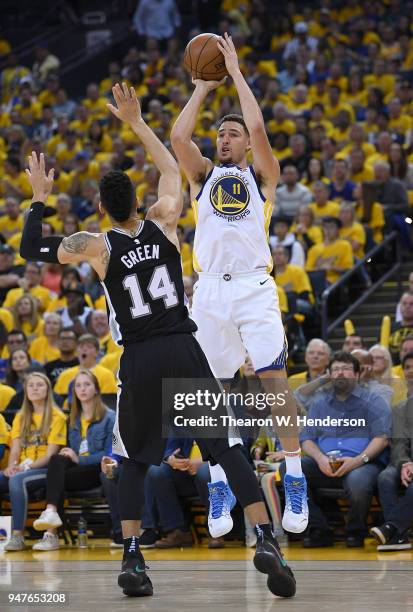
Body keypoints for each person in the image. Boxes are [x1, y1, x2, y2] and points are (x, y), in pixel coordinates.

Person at [20, 85, 296, 599]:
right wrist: (136, 122)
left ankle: (132, 555)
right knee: (227, 449)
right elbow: (171, 164)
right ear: (141, 201)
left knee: (132, 461)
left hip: (141, 360)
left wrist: (39, 200)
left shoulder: (96, 247)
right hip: (184, 348)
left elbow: (30, 247)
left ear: (101, 206)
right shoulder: (166, 219)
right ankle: (264, 536)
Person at [171, 33, 308, 538]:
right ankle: (223, 477)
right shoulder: (203, 176)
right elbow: (180, 140)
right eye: (221, 133)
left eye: (233, 134)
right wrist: (204, 87)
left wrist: (235, 70)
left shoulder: (263, 177)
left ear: (247, 145)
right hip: (208, 290)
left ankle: (294, 476)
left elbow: (256, 122)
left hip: (253, 287)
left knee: (274, 381)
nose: (225, 137)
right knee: (215, 389)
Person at [282, 352, 391, 548]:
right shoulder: (320, 403)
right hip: (324, 464)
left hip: (362, 463)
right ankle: (319, 529)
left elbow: (382, 438)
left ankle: (355, 530)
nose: (340, 374)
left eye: (346, 369)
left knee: (358, 481)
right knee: (289, 468)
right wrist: (319, 458)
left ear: (357, 374)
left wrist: (358, 460)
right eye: (336, 370)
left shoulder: (373, 401)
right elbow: (307, 438)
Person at [33, 370, 115, 550]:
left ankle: (51, 532)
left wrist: (78, 459)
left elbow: (109, 454)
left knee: (54, 478)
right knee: (57, 462)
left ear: (96, 389)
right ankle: (51, 512)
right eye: (78, 386)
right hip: (75, 471)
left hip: (95, 469)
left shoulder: (109, 417)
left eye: (87, 384)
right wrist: (70, 456)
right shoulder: (72, 420)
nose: (82, 389)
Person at [1, 373, 66, 551]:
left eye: (40, 385)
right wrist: (11, 465)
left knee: (17, 480)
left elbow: (51, 455)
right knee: (8, 477)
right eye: (31, 385)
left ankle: (18, 536)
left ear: (48, 390)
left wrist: (24, 467)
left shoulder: (57, 417)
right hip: (21, 468)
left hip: (44, 470)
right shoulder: (21, 417)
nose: (35, 388)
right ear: (25, 391)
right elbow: (15, 449)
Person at [370, 352, 413, 551]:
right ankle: (399, 536)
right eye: (408, 367)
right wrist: (405, 463)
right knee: (386, 477)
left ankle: (392, 529)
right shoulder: (399, 408)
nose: (411, 371)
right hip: (405, 461)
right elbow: (398, 443)